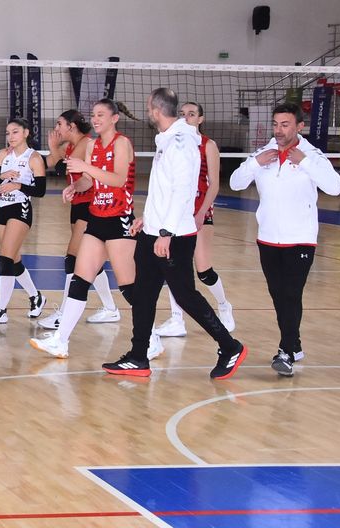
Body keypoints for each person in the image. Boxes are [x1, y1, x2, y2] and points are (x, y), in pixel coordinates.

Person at [101, 88, 247, 380]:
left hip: (173, 237)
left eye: (148, 108)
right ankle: (139, 356)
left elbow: (182, 191)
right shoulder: (167, 138)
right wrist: (148, 219)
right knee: (143, 295)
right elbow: (164, 190)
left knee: (185, 295)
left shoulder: (180, 142)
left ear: (156, 110)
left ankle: (230, 346)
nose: (147, 112)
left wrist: (165, 232)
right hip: (154, 231)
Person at [230, 102, 340, 377]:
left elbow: (335, 187)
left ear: (299, 126)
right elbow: (235, 183)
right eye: (276, 124)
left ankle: (286, 351)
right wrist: (255, 163)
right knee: (279, 296)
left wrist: (304, 162)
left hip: (300, 239)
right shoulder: (263, 153)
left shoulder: (312, 155)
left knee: (291, 294)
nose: (279, 130)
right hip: (267, 238)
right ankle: (295, 343)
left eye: (285, 125)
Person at [31, 99, 137, 359]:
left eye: (101, 115)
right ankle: (61, 340)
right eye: (94, 115)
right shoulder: (92, 146)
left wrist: (85, 168)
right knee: (79, 278)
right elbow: (89, 180)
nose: (96, 119)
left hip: (119, 218)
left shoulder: (121, 143)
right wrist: (74, 187)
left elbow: (119, 179)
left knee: (129, 286)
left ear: (114, 118)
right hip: (97, 217)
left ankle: (151, 337)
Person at [155, 102, 235, 337]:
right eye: (182, 114)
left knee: (203, 270)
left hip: (199, 212)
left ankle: (223, 305)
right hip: (176, 214)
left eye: (191, 114)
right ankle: (176, 319)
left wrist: (201, 213)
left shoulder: (207, 145)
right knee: (173, 268)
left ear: (200, 119)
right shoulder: (171, 141)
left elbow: (215, 185)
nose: (186, 118)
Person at [37, 110, 119, 329]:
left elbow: (66, 168)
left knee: (72, 259)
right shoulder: (70, 146)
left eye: (59, 124)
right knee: (92, 262)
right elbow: (48, 162)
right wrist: (19, 158)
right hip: (77, 204)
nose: (56, 129)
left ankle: (64, 315)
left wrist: (53, 148)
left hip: (90, 206)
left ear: (71, 126)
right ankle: (110, 308)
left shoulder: (86, 144)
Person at [0, 118, 46, 324]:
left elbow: (40, 191)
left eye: (15, 132)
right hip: (2, 209)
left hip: (20, 209)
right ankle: (36, 296)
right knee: (13, 260)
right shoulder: (3, 154)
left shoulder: (34, 158)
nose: (10, 137)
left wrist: (18, 186)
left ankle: (0, 309)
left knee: (5, 259)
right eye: (8, 133)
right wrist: (3, 175)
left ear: (26, 133)